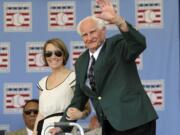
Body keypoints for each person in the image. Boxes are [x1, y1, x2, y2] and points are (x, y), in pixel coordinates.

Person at [50, 0, 158, 135]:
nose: (89, 38)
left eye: (92, 32)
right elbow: (79, 98)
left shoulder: (117, 45)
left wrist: (118, 21)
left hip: (135, 121)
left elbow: (139, 44)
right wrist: (62, 126)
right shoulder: (81, 62)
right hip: (109, 125)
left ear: (103, 31)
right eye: (85, 35)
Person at [32, 38, 91, 135]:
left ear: (64, 55)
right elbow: (41, 114)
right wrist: (34, 133)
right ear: (45, 57)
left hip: (65, 130)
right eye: (48, 54)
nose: (53, 56)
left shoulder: (74, 77)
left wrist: (80, 114)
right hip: (44, 130)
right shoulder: (42, 82)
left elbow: (87, 108)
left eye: (57, 53)